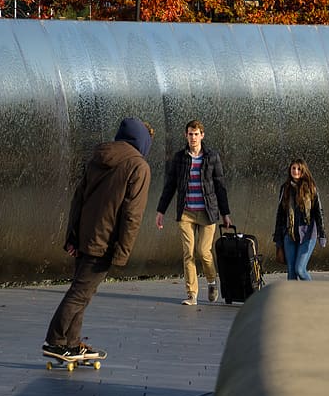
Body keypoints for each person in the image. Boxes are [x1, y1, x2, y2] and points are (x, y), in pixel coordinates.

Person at [43, 117, 153, 360]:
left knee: (83, 291)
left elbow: (78, 198)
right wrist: (122, 252)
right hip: (104, 241)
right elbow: (132, 215)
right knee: (80, 292)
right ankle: (55, 340)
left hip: (84, 236)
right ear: (142, 141)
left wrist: (72, 236)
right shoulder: (138, 167)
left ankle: (71, 344)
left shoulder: (98, 156)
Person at [156, 120, 232, 306]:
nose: (193, 137)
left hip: (208, 212)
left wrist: (225, 213)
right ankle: (192, 294)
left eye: (196, 134)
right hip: (186, 212)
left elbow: (220, 186)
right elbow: (170, 185)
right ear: (186, 135)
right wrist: (161, 210)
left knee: (203, 251)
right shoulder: (180, 157)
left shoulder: (212, 157)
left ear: (202, 135)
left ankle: (212, 281)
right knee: (188, 253)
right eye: (190, 134)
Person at [273, 158, 326, 280]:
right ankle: (293, 298)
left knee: (300, 270)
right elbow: (280, 214)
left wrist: (322, 234)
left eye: (298, 169)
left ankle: (311, 295)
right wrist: (278, 239)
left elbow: (318, 212)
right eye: (293, 168)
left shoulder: (311, 188)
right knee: (291, 272)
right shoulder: (285, 188)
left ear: (303, 171)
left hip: (307, 234)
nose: (295, 171)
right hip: (290, 234)